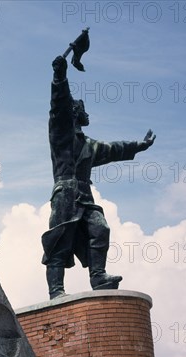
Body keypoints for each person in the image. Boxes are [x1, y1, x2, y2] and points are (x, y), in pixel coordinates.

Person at [42, 55, 155, 299]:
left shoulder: (89, 145)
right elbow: (58, 106)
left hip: (84, 195)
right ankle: (56, 291)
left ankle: (98, 276)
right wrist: (60, 77)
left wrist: (138, 146)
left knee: (100, 228)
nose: (86, 112)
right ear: (74, 112)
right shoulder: (62, 135)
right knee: (61, 240)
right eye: (82, 108)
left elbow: (114, 149)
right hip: (66, 194)